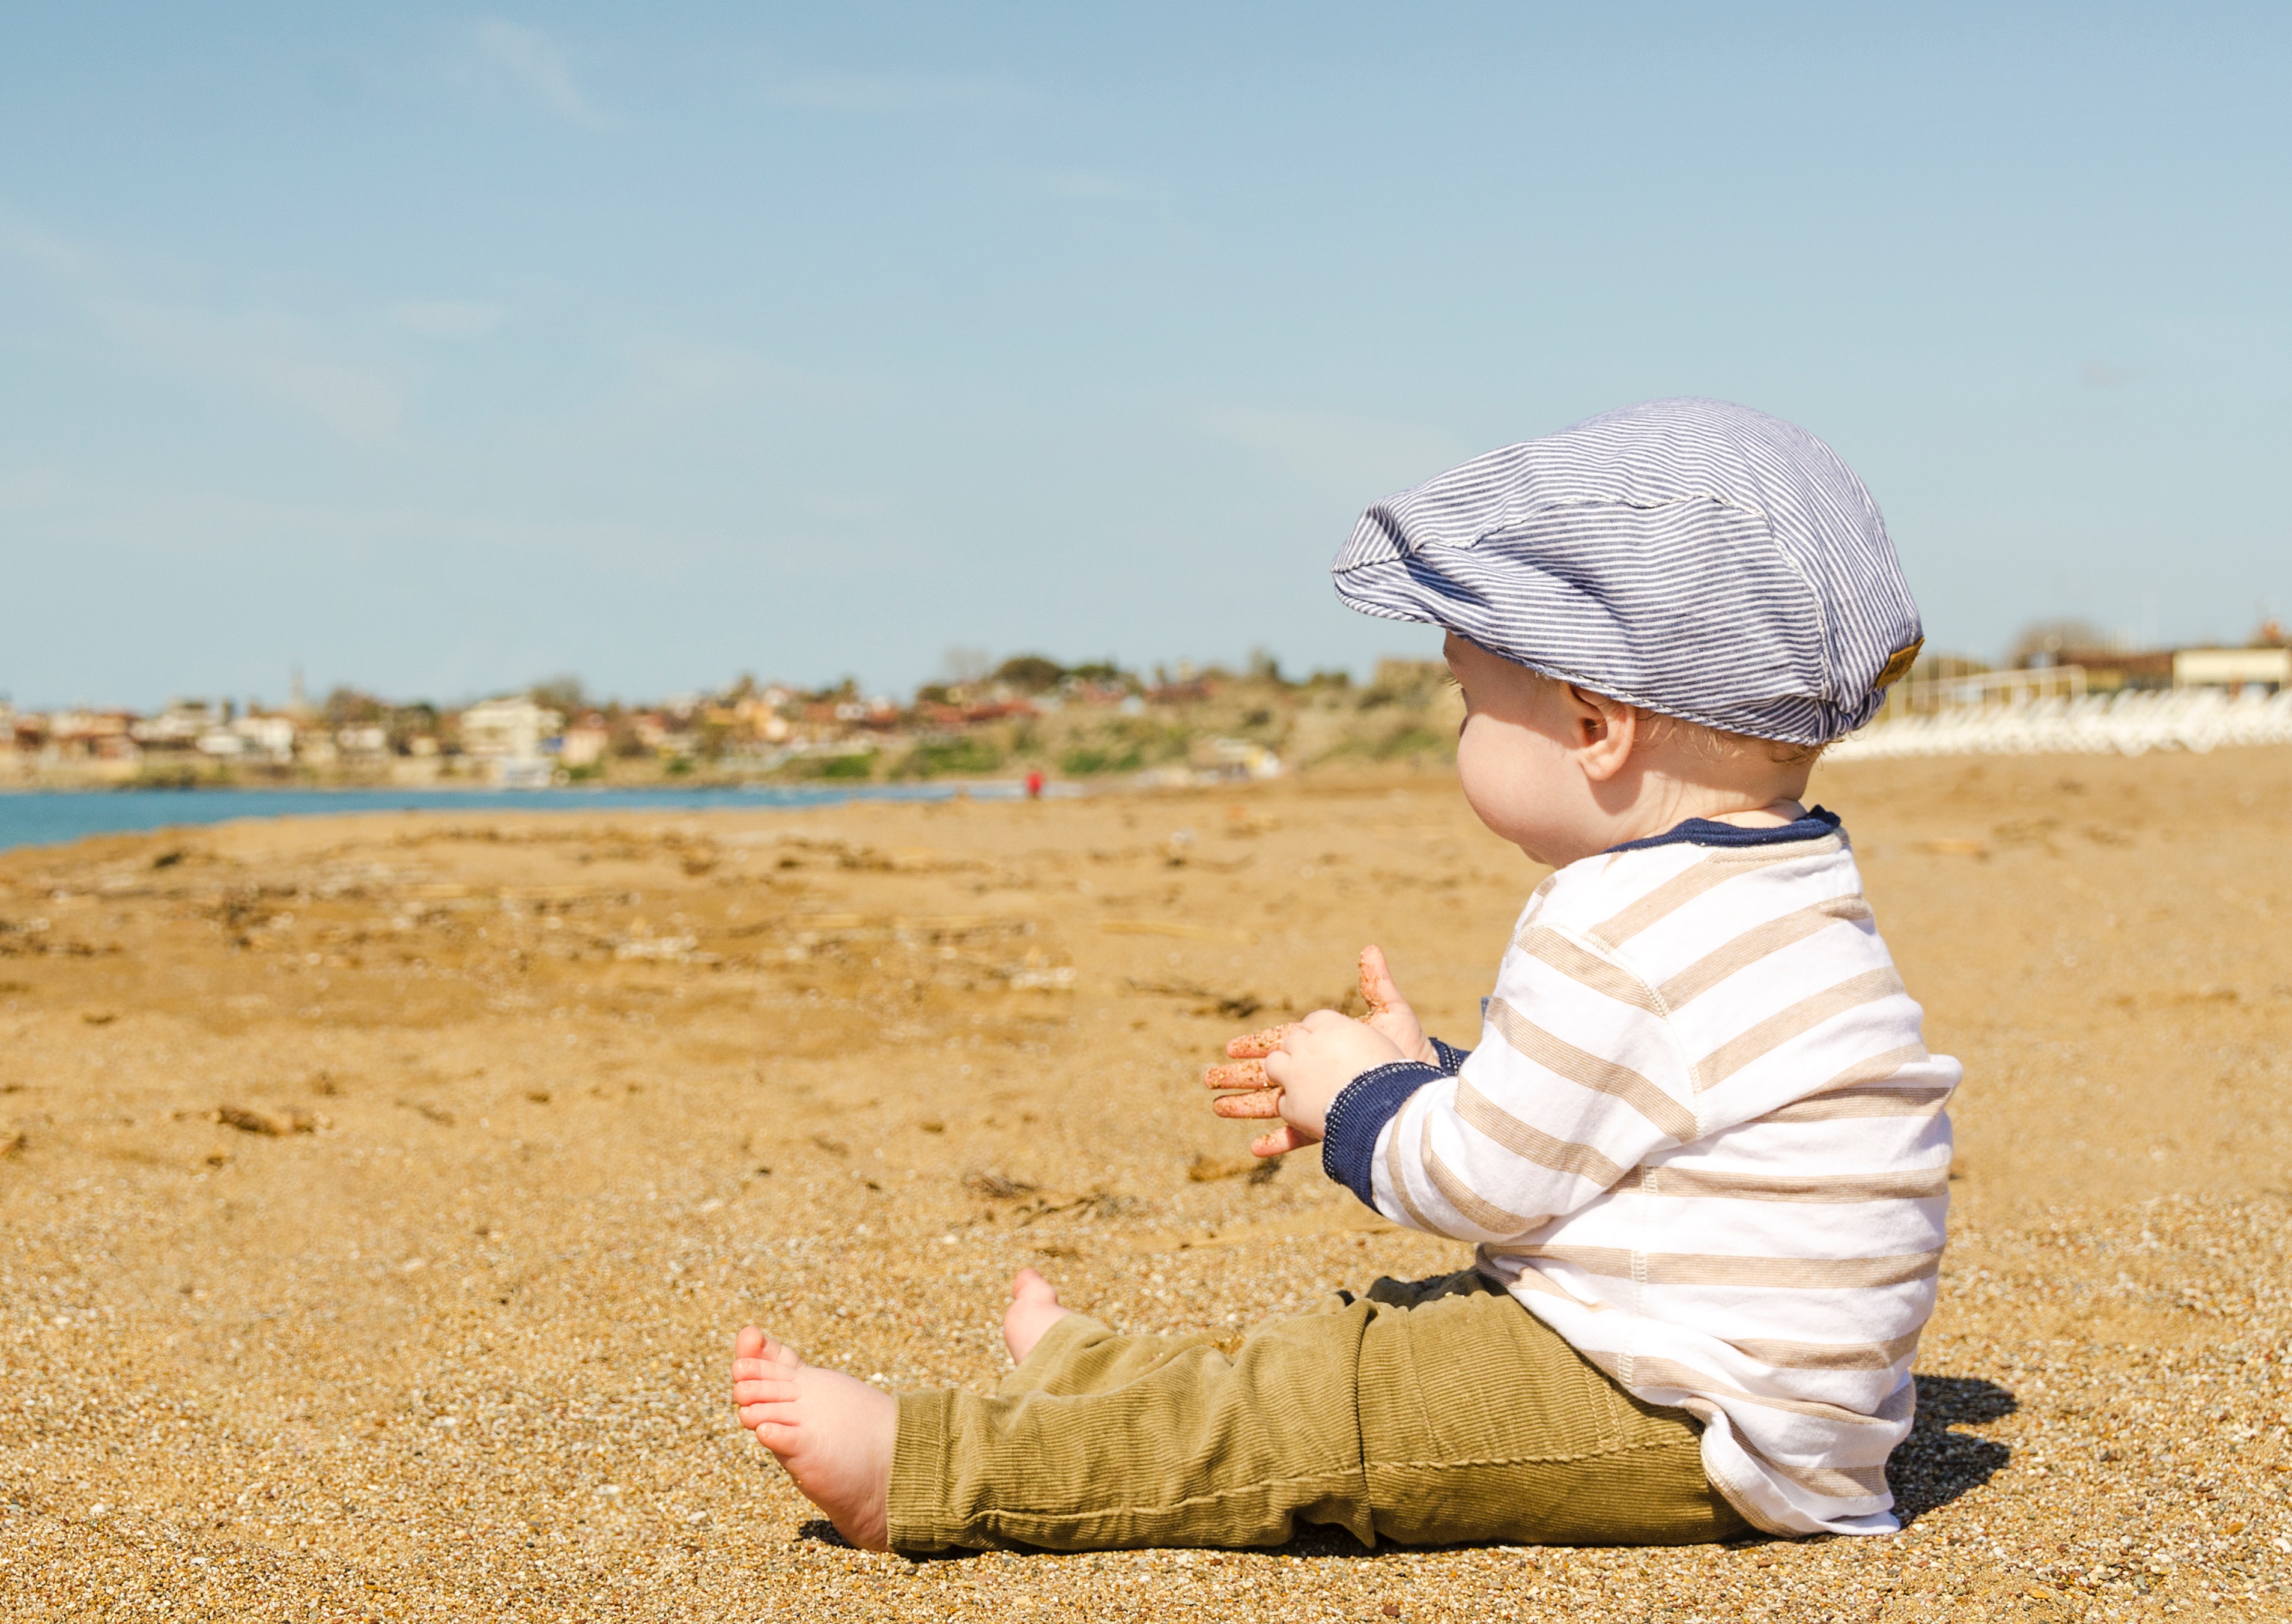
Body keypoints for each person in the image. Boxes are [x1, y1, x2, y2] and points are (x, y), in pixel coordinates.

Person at [730, 398, 1956, 1552]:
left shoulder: (1612, 919)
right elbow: (1624, 1124)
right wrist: (1436, 1075)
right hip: (1772, 1403)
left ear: (1595, 724)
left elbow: (1485, 1186)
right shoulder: (1792, 887)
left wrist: (1359, 1106)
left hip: (1685, 1419)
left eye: (1473, 701)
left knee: (1327, 1407)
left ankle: (935, 1469)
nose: (1460, 729)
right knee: (1364, 1340)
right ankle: (1097, 1380)